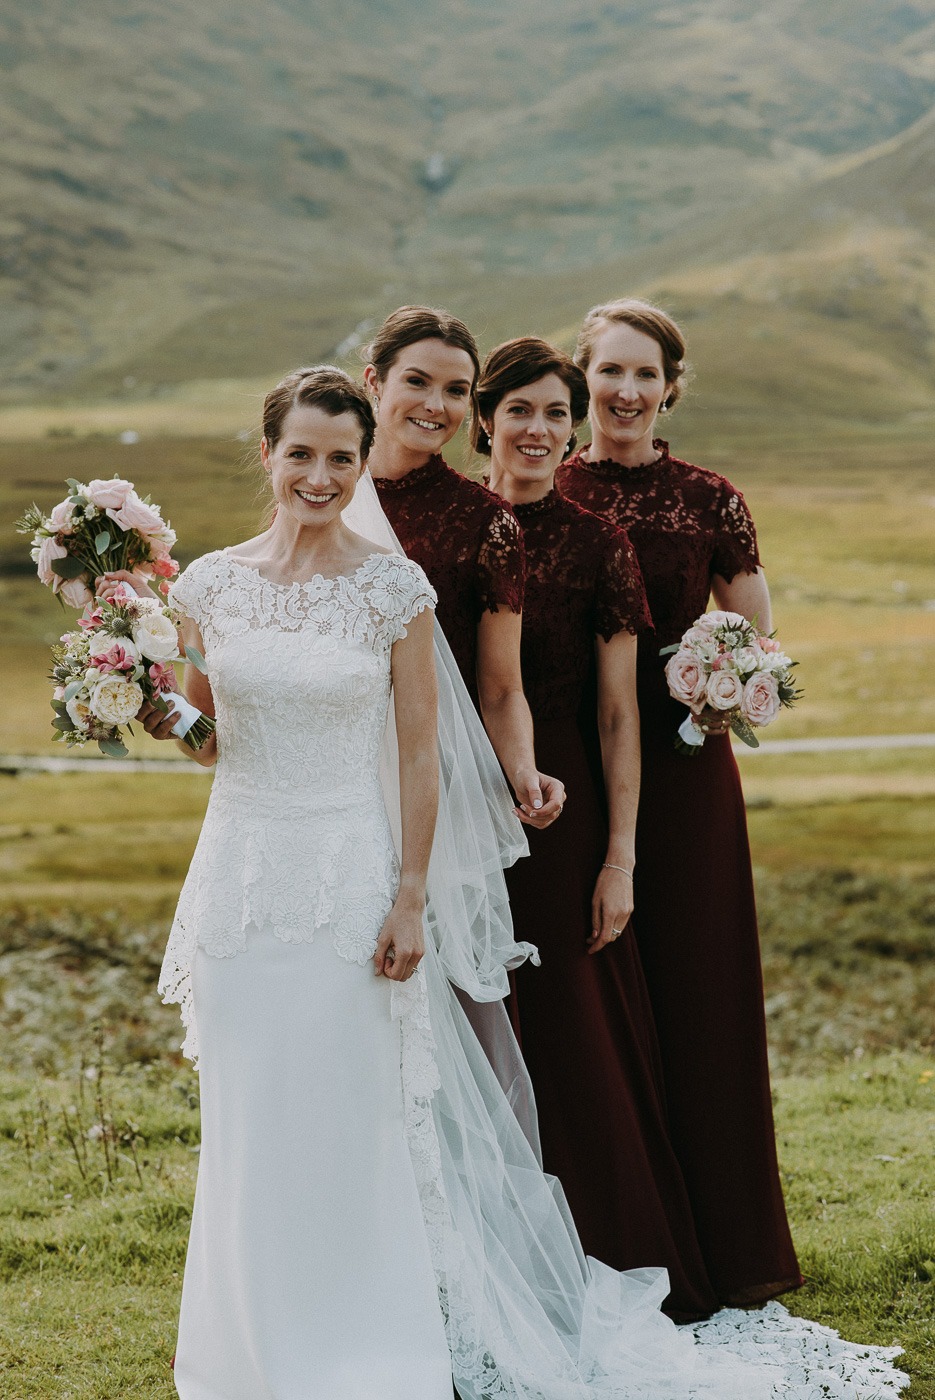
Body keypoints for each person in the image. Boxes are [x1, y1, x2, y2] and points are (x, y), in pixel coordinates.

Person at [108, 365, 909, 1400]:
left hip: (352, 882)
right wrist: (145, 705)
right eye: (299, 453)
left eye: (340, 457)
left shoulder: (393, 589)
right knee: (251, 1114)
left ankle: (364, 1345)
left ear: (363, 465)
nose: (318, 474)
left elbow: (416, 758)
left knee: (356, 1116)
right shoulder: (209, 583)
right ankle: (248, 1347)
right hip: (240, 885)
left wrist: (406, 894)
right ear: (266, 454)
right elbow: (215, 739)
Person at [557, 298, 803, 1307]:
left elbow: (765, 658)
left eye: (643, 374)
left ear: (667, 387)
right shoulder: (537, 484)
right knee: (595, 995)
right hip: (570, 768)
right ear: (581, 380)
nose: (623, 390)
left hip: (688, 773)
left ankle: (724, 1242)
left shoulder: (710, 500)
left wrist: (718, 682)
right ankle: (614, 1236)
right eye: (607, 370)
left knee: (698, 988)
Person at [479, 336, 720, 1320]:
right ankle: (475, 1264)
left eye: (554, 414)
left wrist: (618, 857)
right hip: (443, 805)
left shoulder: (594, 542)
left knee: (574, 1035)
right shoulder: (449, 524)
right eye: (519, 411)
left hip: (563, 809)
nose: (538, 431)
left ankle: (601, 1264)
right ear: (480, 418)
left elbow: (619, 713)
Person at [364, 304, 564, 831]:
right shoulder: (321, 496)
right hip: (331, 777)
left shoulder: (487, 522)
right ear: (374, 382)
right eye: (417, 381)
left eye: (456, 390)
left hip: (433, 780)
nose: (436, 405)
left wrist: (524, 770)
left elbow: (500, 687)